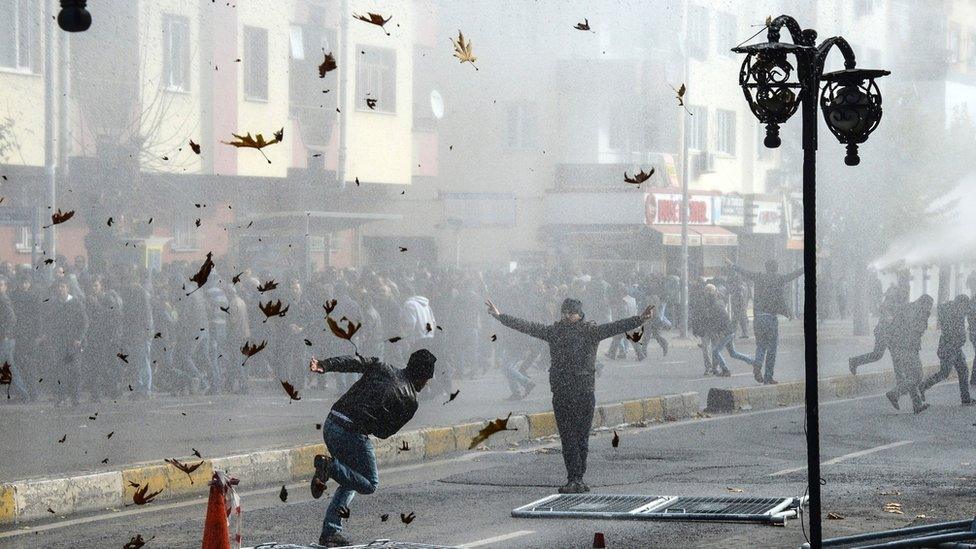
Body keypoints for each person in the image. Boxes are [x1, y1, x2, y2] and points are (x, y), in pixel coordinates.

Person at [485, 296, 655, 494]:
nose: (567, 316)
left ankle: (578, 477)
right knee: (568, 438)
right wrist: (500, 317)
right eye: (564, 313)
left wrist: (640, 319)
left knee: (581, 437)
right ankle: (574, 478)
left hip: (584, 392)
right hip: (562, 393)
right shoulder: (554, 331)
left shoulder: (591, 331)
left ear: (579, 314)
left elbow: (616, 326)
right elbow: (527, 326)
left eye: (571, 313)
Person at [307, 349, 436, 548]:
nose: (425, 384)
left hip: (331, 422)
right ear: (422, 377)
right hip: (351, 434)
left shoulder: (382, 366)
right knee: (369, 483)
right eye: (427, 379)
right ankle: (329, 467)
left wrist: (325, 364)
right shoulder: (410, 400)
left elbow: (355, 362)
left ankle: (331, 532)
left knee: (351, 478)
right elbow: (384, 433)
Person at [728, 258, 803, 385]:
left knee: (761, 345)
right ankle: (768, 377)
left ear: (766, 267)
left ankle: (757, 364)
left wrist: (732, 265)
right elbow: (793, 275)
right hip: (771, 318)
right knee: (772, 349)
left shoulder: (758, 276)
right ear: (776, 268)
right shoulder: (779, 278)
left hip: (758, 317)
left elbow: (745, 272)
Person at [919, 294, 971, 406]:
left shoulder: (956, 311)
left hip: (955, 347)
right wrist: (959, 338)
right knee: (944, 373)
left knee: (963, 371)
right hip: (949, 348)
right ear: (960, 303)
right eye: (965, 305)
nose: (966, 308)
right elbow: (950, 331)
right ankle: (923, 386)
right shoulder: (952, 312)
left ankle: (966, 399)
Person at [885, 295, 933, 414]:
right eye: (929, 305)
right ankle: (894, 393)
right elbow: (917, 329)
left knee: (911, 377)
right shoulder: (919, 311)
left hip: (899, 346)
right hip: (908, 347)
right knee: (917, 376)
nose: (930, 308)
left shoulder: (909, 307)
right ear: (924, 303)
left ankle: (917, 405)